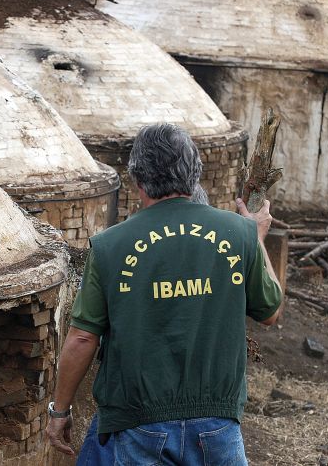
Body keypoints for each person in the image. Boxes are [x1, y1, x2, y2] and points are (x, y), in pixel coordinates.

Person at [46, 124, 283, 465]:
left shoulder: (111, 245)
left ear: (137, 179)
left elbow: (83, 337)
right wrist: (257, 238)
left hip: (140, 425)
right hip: (218, 423)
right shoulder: (239, 233)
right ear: (195, 173)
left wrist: (59, 410)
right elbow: (271, 311)